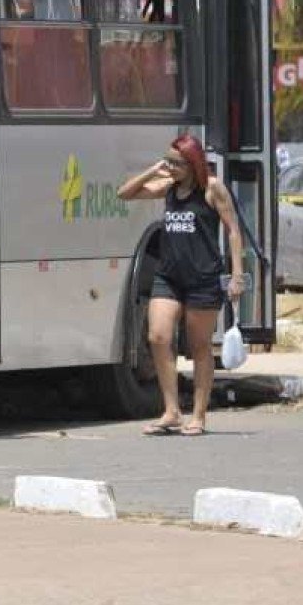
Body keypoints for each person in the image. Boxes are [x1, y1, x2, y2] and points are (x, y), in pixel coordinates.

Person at [118, 134, 246, 437]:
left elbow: (233, 230)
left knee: (200, 346)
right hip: (169, 276)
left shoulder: (212, 189)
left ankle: (199, 415)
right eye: (168, 161)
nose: (171, 167)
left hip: (202, 277)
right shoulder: (168, 188)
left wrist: (237, 274)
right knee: (158, 336)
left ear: (193, 163)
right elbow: (125, 193)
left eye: (176, 163)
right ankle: (172, 411)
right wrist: (155, 169)